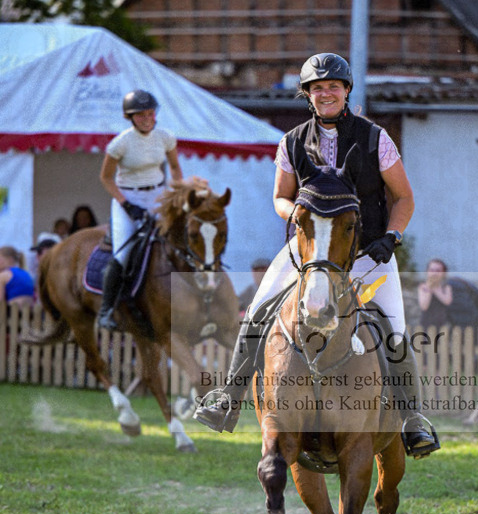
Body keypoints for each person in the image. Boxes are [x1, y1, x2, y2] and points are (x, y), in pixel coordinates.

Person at [195, 52, 440, 458]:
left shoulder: (376, 138)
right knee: (258, 310)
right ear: (308, 95)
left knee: (394, 328)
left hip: (367, 252)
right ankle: (228, 397)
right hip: (308, 251)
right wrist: (295, 215)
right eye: (317, 88)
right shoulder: (291, 141)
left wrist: (392, 237)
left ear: (346, 91)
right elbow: (280, 196)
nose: (325, 93)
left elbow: (404, 197)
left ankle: (412, 419)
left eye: (333, 86)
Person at [97, 89, 183, 330]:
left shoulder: (165, 137)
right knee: (123, 254)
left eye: (150, 113)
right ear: (130, 117)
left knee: (178, 240)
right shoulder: (120, 143)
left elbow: (175, 168)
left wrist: (175, 194)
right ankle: (106, 310)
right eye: (140, 115)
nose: (146, 118)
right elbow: (105, 178)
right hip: (127, 197)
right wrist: (127, 205)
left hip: (158, 194)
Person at [419, 259, 478, 330]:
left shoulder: (446, 287)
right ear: (427, 272)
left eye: (438, 270)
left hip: (442, 323)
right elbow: (424, 306)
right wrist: (429, 289)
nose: (434, 273)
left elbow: (447, 302)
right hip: (427, 323)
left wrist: (436, 289)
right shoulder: (423, 287)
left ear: (444, 273)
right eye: (432, 270)